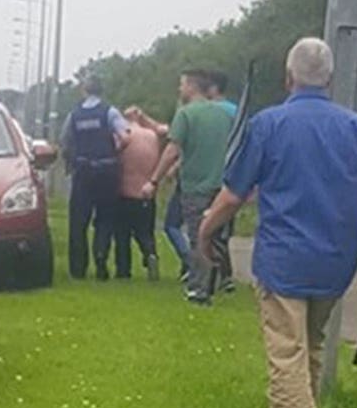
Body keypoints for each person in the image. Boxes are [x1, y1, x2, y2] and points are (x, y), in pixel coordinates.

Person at [198, 37, 357, 408]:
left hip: (283, 258)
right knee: (312, 344)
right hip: (336, 262)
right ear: (329, 79)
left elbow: (233, 194)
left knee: (286, 352)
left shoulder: (268, 125)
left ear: (289, 77)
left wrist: (205, 230)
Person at [141, 69, 233, 304]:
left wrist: (154, 180)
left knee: (198, 236)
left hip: (196, 186)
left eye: (182, 85)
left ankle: (199, 289)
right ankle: (217, 281)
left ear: (193, 87)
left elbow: (172, 150)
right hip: (224, 186)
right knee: (217, 237)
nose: (179, 89)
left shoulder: (186, 115)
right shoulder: (225, 114)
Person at [60, 75, 129, 281]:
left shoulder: (74, 115)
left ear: (84, 91)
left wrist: (71, 160)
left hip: (83, 171)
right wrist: (115, 151)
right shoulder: (110, 112)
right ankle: (100, 258)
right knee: (105, 219)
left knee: (78, 221)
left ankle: (78, 269)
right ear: (102, 91)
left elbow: (65, 141)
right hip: (107, 170)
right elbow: (125, 136)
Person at [114, 106, 168, 281]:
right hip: (146, 193)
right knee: (145, 232)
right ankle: (150, 253)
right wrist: (145, 118)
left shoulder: (125, 135)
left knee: (122, 235)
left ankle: (123, 270)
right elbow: (163, 130)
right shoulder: (151, 136)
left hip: (125, 191)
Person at [207, 70, 239, 293]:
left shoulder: (210, 112)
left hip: (210, 175)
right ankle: (224, 274)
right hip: (232, 176)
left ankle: (216, 273)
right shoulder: (235, 111)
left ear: (212, 88)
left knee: (208, 227)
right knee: (224, 230)